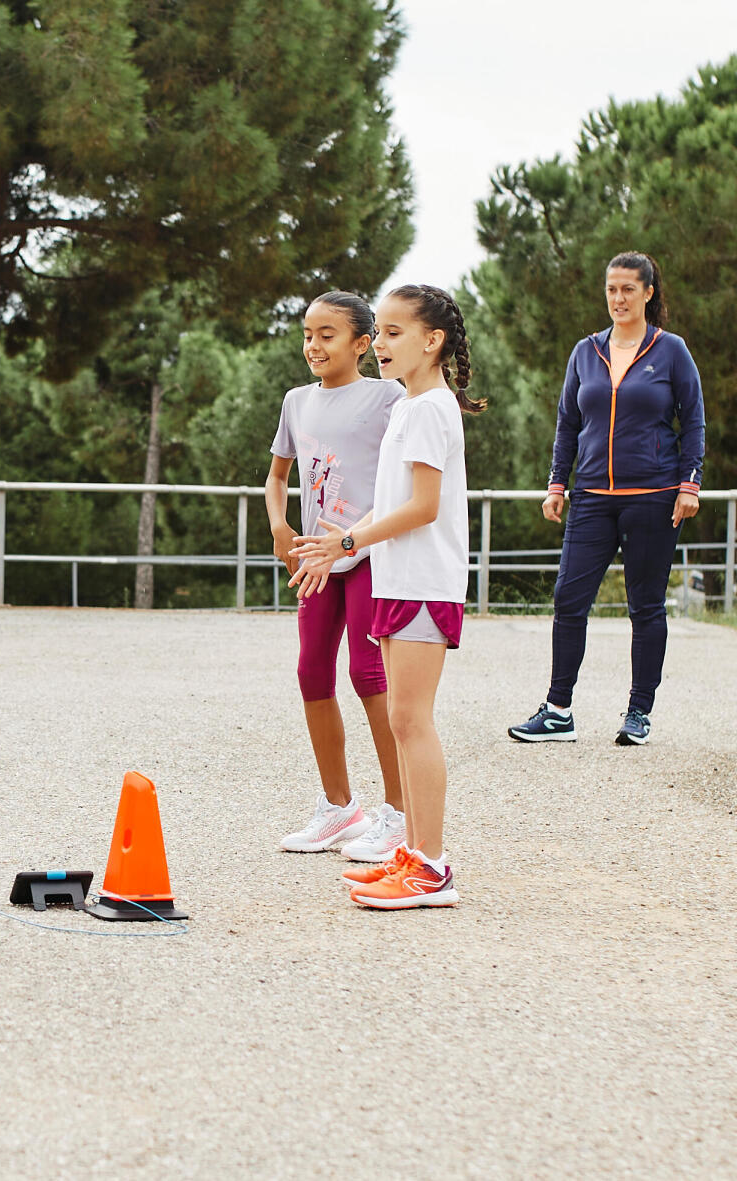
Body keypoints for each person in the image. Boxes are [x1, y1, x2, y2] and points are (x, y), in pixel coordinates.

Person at [292, 284, 484, 910]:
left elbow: (424, 508)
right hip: (402, 581)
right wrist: (345, 546)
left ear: (432, 342)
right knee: (404, 719)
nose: (381, 343)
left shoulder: (432, 408)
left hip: (426, 584)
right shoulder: (407, 406)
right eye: (380, 331)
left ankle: (431, 869)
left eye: (394, 332)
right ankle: (414, 856)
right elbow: (395, 501)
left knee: (411, 721)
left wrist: (349, 538)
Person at [508, 252, 704, 747]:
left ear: (648, 293)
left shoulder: (671, 350)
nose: (618, 298)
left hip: (654, 497)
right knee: (569, 599)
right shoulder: (585, 351)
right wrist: (557, 483)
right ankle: (558, 711)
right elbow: (568, 423)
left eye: (628, 290)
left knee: (645, 606)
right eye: (611, 289)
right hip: (592, 496)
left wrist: (689, 484)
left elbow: (694, 421)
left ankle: (639, 711)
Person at [266, 292, 406, 863]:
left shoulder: (387, 398)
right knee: (311, 673)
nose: (313, 345)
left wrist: (352, 539)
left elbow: (402, 483)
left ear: (362, 343)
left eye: (327, 334)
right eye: (307, 334)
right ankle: (340, 808)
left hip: (368, 553)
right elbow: (278, 476)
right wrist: (279, 526)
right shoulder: (296, 402)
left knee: (368, 672)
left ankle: (398, 814)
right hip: (315, 561)